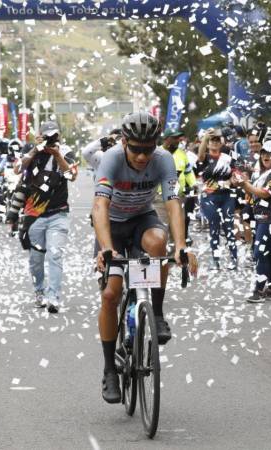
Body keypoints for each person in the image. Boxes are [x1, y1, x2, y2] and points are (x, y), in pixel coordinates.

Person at [92, 112, 198, 403]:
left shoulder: (163, 159)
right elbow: (99, 206)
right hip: (111, 225)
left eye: (147, 149)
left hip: (141, 219)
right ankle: (110, 369)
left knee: (158, 243)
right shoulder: (111, 159)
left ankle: (158, 312)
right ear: (124, 142)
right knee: (111, 294)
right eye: (136, 149)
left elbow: (173, 202)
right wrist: (105, 248)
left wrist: (180, 245)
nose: (141, 156)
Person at [16, 121, 78, 313]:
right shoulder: (31, 150)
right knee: (36, 259)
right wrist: (36, 150)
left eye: (54, 136)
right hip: (34, 215)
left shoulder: (65, 151)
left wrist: (57, 154)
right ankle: (39, 292)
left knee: (55, 254)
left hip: (58, 213)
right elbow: (17, 169)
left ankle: (54, 298)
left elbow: (71, 175)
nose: (51, 140)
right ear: (39, 135)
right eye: (47, 136)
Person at [236, 141, 271, 301]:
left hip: (270, 217)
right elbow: (254, 194)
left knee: (260, 252)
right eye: (263, 153)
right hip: (261, 216)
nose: (266, 156)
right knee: (269, 252)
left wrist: (245, 184)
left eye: (270, 153)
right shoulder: (263, 173)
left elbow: (265, 193)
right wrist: (244, 183)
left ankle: (258, 290)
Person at [197, 129, 239, 270]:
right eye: (212, 140)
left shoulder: (228, 158)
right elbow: (200, 154)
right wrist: (205, 138)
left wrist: (232, 181)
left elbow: (235, 173)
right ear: (208, 143)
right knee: (214, 226)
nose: (214, 142)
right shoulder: (205, 157)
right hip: (209, 197)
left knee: (229, 226)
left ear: (221, 143)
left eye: (217, 140)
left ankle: (234, 259)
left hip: (227, 196)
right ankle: (216, 260)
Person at [161, 129, 196, 244]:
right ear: (166, 139)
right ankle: (162, 259)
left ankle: (176, 257)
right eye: (175, 138)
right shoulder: (157, 153)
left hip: (178, 197)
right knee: (162, 230)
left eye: (179, 138)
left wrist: (193, 184)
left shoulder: (182, 154)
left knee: (177, 230)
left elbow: (188, 172)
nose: (178, 140)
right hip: (160, 199)